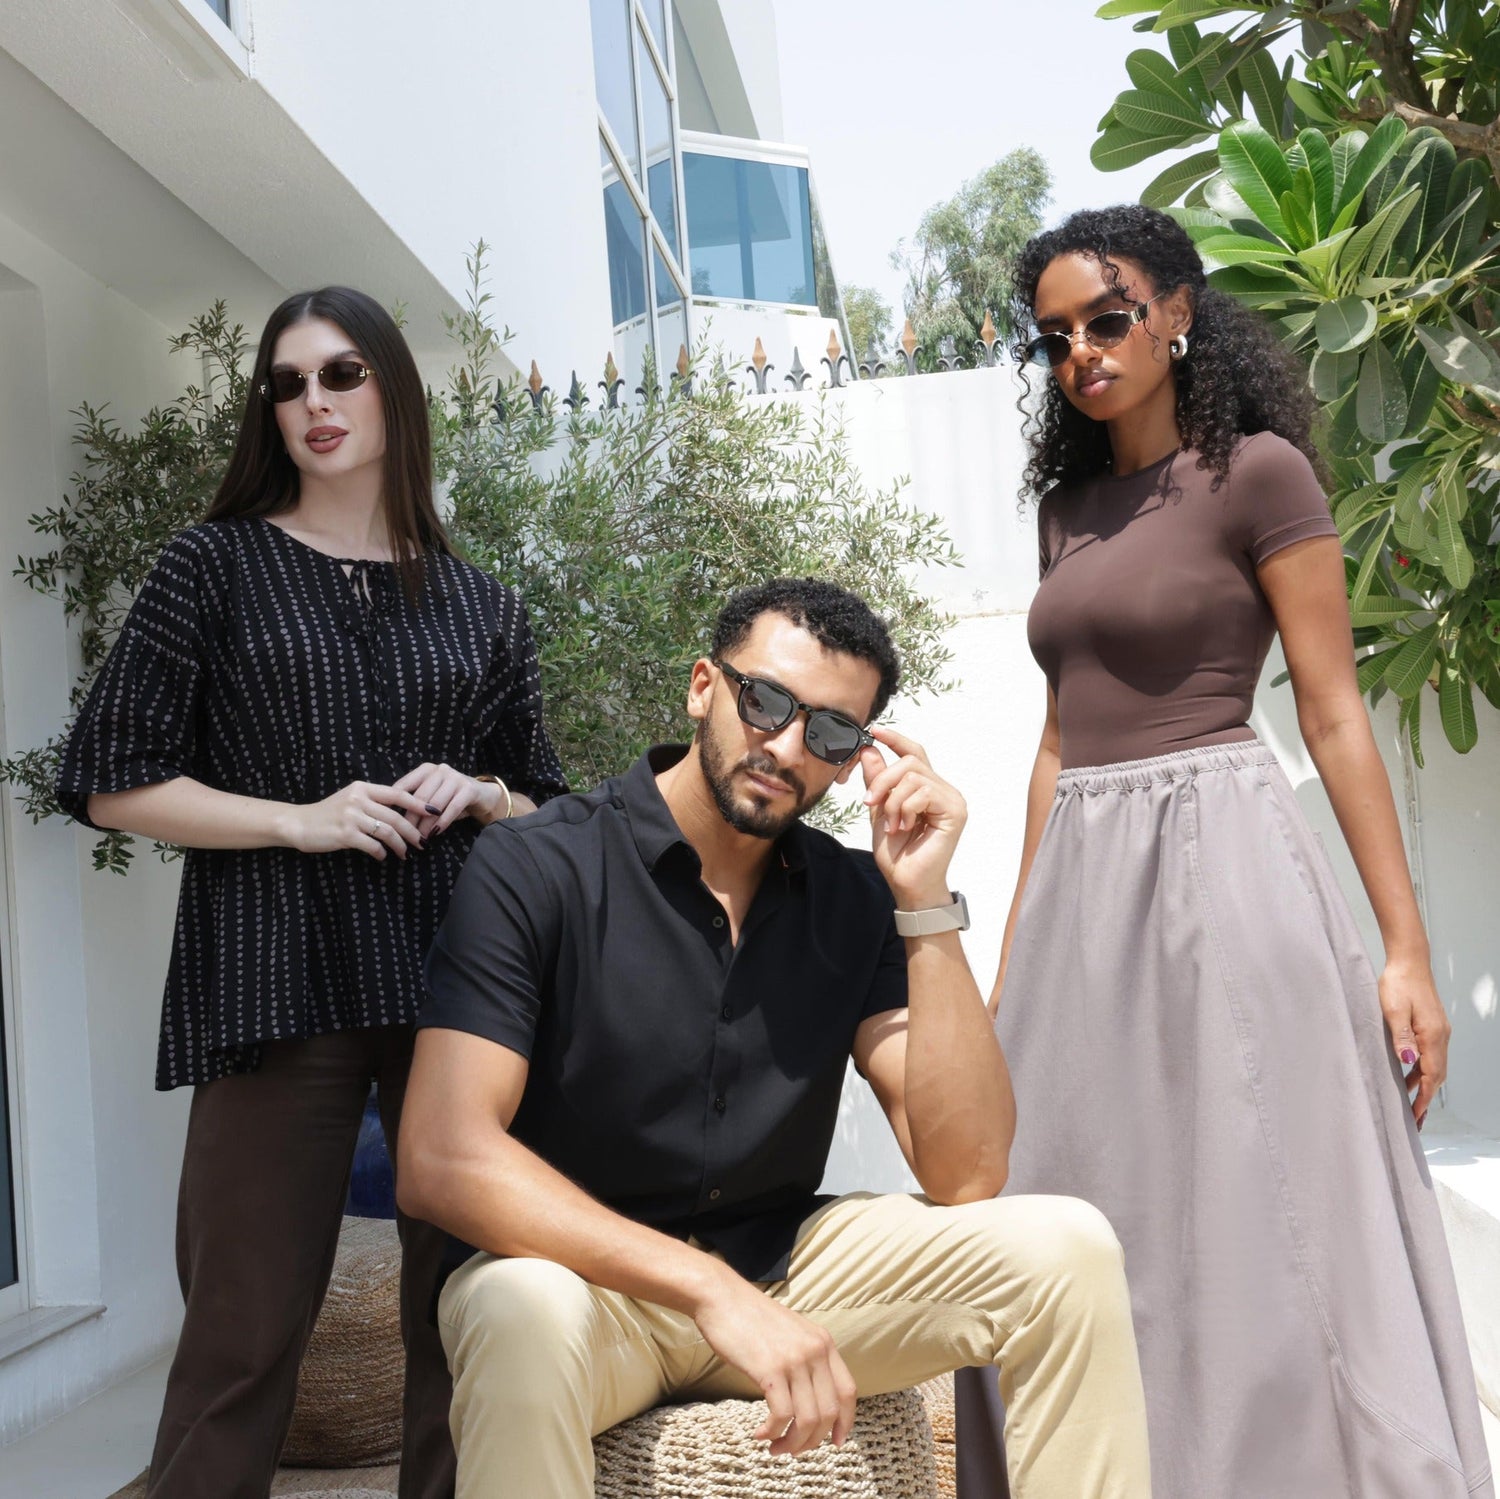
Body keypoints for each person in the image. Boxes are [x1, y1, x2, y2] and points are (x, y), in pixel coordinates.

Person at [953, 205, 1494, 1499]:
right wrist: (1017, 954)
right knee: (1078, 1202)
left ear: (1179, 313)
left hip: (1223, 857)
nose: (1080, 352)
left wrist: (1406, 951)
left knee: (1265, 1202)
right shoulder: (1064, 510)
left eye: (1107, 318)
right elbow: (1053, 742)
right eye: (1054, 336)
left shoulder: (1260, 474)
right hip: (1084, 883)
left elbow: (1334, 711)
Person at [398, 577, 1153, 1499]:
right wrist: (710, 1289)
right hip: (581, 1286)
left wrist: (924, 900)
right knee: (518, 1306)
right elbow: (441, 1154)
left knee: (1068, 1247)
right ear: (703, 688)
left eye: (831, 732)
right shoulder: (536, 865)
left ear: (855, 758)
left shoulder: (856, 897)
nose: (788, 747)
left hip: (788, 1270)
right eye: (765, 701)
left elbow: (967, 1170)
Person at [55, 286, 567, 1499]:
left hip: (458, 990)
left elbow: (551, 802)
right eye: (287, 384)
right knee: (240, 1326)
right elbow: (107, 778)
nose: (314, 403)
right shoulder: (213, 565)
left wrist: (483, 789)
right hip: (272, 977)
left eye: (341, 374)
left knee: (468, 1312)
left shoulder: (482, 602)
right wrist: (299, 818)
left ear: (394, 387)